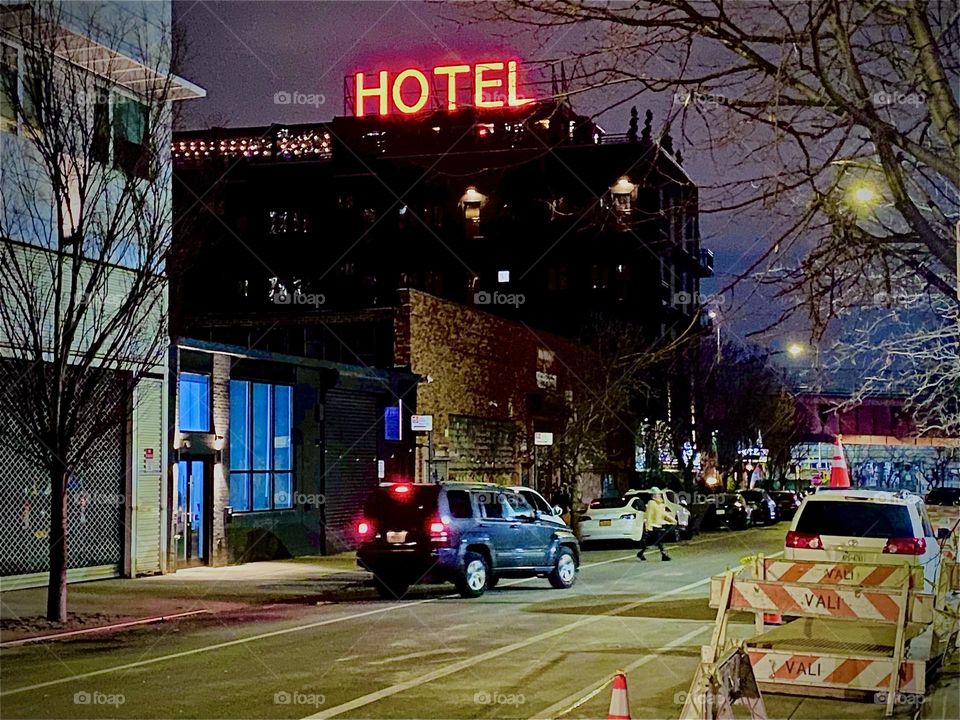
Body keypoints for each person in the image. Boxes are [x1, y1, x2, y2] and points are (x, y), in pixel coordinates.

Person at [637, 492, 671, 561]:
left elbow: (663, 514)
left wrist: (671, 520)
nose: (660, 496)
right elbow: (649, 515)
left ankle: (640, 554)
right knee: (658, 540)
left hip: (657, 525)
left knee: (654, 541)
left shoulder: (660, 504)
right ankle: (664, 555)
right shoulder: (651, 503)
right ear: (653, 496)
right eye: (658, 495)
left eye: (659, 495)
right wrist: (648, 525)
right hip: (653, 525)